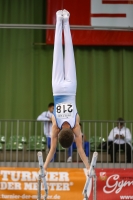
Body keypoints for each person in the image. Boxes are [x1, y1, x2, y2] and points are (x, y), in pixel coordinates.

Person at [43, 9, 90, 173]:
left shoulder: (75, 126)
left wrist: (89, 167)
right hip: (57, 89)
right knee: (57, 53)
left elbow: (82, 151)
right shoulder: (55, 127)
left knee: (69, 53)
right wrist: (43, 168)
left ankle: (66, 20)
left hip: (70, 89)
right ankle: (59, 19)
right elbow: (52, 150)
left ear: (71, 132)